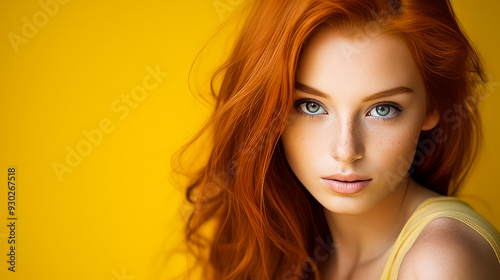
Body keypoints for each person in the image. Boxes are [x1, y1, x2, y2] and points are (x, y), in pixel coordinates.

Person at [173, 0, 500, 279]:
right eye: (311, 106)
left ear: (432, 107)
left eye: (383, 109)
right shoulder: (298, 250)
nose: (346, 151)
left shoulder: (440, 263)